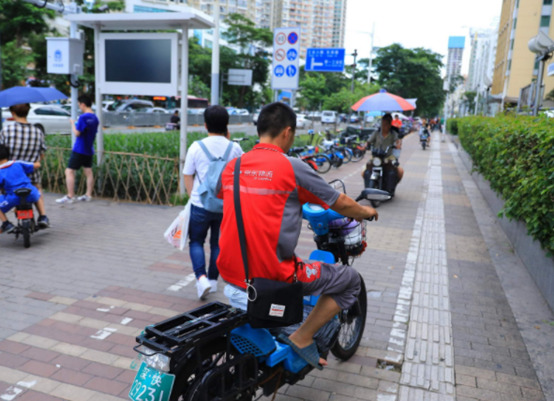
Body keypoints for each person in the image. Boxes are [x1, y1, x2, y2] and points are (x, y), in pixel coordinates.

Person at [216, 102, 378, 369]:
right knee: (349, 281)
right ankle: (302, 337)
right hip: (271, 276)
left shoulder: (234, 165)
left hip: (231, 272)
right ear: (288, 132)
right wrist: (366, 211)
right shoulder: (290, 166)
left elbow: (232, 197)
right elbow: (339, 203)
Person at [183, 105, 243, 300]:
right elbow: (239, 177)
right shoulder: (234, 147)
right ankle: (214, 281)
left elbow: (187, 175)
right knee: (218, 244)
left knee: (197, 242)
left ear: (205, 124)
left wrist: (193, 196)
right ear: (227, 125)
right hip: (224, 205)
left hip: (200, 204)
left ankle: (201, 279)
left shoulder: (196, 146)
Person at [0, 103, 49, 227]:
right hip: (31, 174)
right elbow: (42, 154)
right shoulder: (37, 131)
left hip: (10, 175)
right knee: (36, 190)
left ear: (13, 113)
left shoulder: (7, 130)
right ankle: (43, 216)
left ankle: (6, 221)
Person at [56, 95, 99, 204]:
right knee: (88, 171)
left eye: (79, 104)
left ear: (83, 104)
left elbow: (77, 133)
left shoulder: (83, 117)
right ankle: (88, 194)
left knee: (69, 171)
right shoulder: (95, 118)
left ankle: (70, 196)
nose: (79, 106)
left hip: (79, 149)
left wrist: (72, 124)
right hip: (89, 148)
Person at [0, 145, 45, 233]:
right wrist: (39, 161)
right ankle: (43, 216)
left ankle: (6, 223)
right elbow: (36, 165)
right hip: (30, 194)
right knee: (38, 192)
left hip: (13, 198)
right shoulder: (17, 163)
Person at [362, 113, 404, 187]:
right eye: (383, 124)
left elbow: (397, 141)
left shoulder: (393, 133)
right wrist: (365, 146)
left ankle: (393, 185)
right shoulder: (376, 133)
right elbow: (369, 141)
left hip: (389, 157)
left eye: (386, 124)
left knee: (400, 172)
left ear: (390, 124)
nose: (384, 126)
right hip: (376, 157)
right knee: (363, 172)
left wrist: (398, 144)